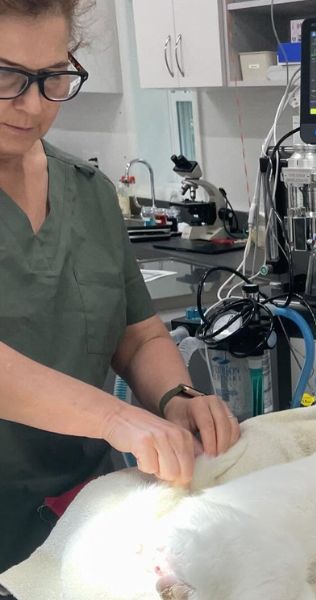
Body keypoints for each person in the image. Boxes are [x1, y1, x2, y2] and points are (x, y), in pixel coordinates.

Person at [0, 0, 240, 572]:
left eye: (53, 77)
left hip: (87, 510)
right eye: (6, 76)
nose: (32, 104)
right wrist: (114, 417)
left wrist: (174, 399)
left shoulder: (87, 191)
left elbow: (135, 334)